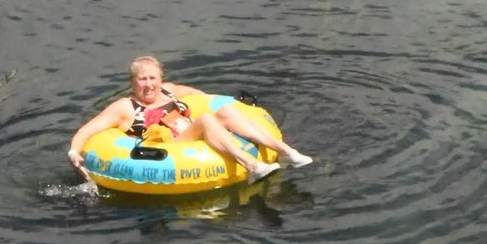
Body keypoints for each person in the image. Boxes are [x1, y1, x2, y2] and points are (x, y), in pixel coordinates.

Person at [68, 55, 313, 181]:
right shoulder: (125, 106)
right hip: (166, 148)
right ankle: (252, 166)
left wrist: (218, 107)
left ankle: (287, 152)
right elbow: (89, 129)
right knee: (206, 121)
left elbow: (202, 97)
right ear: (132, 83)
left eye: (153, 78)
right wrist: (74, 151)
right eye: (142, 79)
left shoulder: (170, 90)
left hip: (190, 136)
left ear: (161, 78)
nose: (149, 85)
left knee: (224, 112)